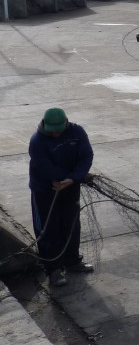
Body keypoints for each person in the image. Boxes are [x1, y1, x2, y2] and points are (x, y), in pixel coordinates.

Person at [28, 108, 95, 288]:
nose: (56, 133)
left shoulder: (77, 132)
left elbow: (86, 156)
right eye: (52, 130)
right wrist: (61, 178)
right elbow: (43, 166)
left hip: (70, 186)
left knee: (71, 225)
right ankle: (53, 270)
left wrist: (73, 178)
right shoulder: (37, 141)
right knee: (48, 230)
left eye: (59, 129)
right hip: (45, 190)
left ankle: (72, 261)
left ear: (66, 122)